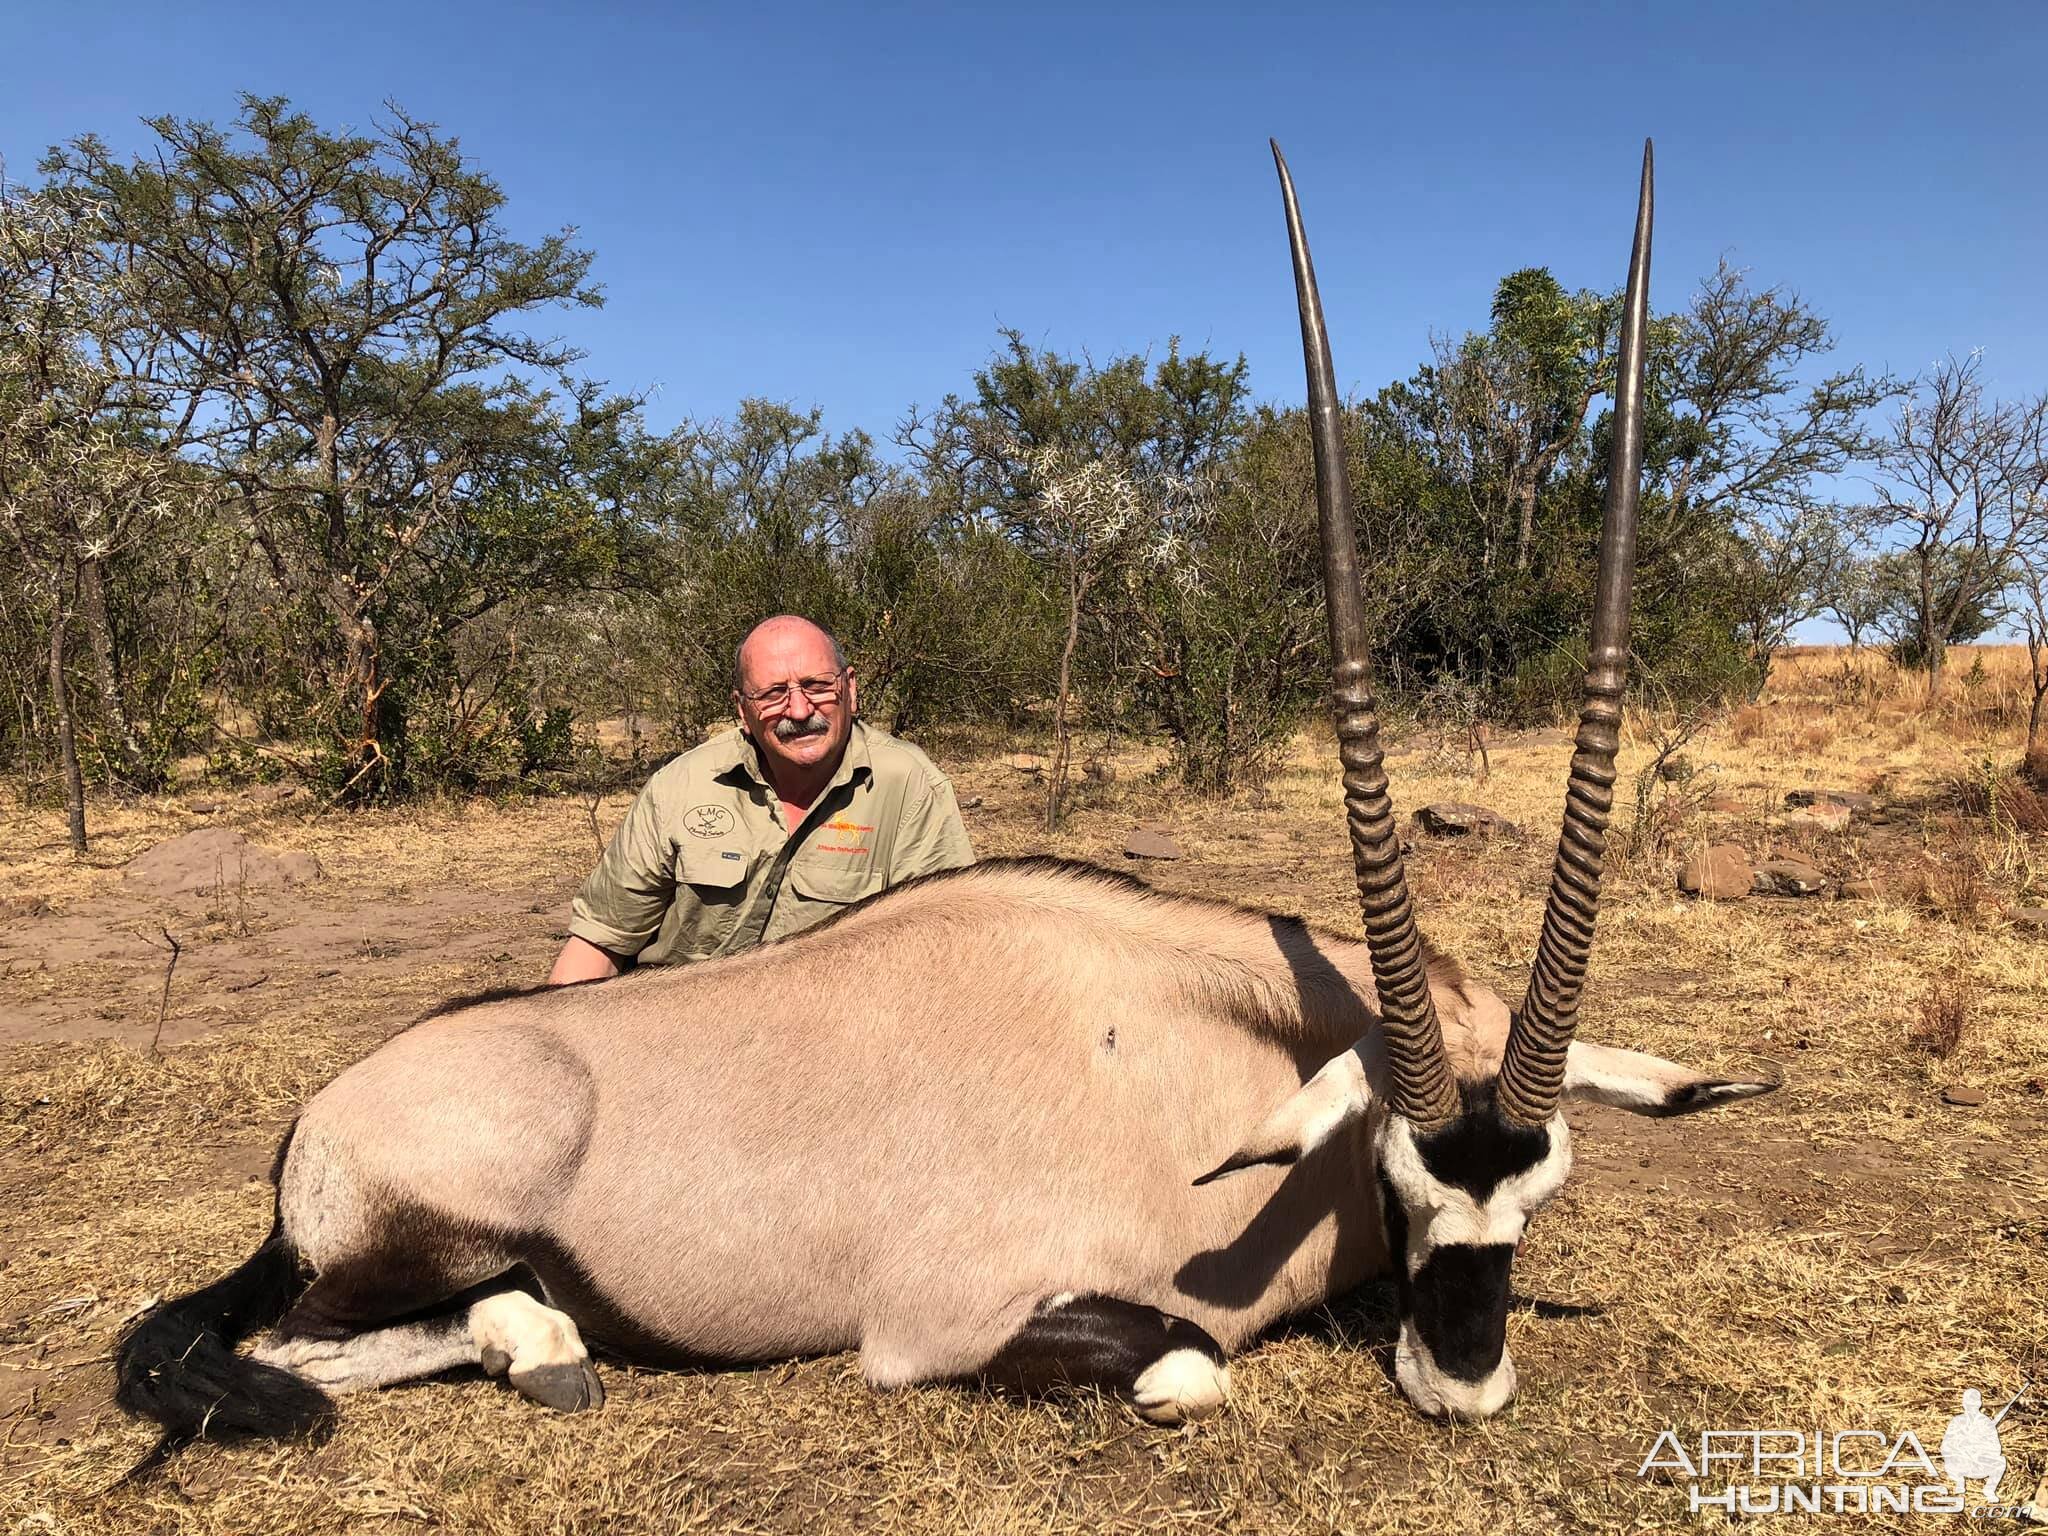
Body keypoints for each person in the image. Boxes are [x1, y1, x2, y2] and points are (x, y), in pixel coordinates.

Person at [547, 615, 974, 984]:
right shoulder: (680, 785)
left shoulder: (911, 786)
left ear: (850, 688)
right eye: (773, 694)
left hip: (838, 1042)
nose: (801, 710)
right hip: (677, 1035)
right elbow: (599, 941)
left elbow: (942, 955)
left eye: (817, 685)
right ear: (742, 710)